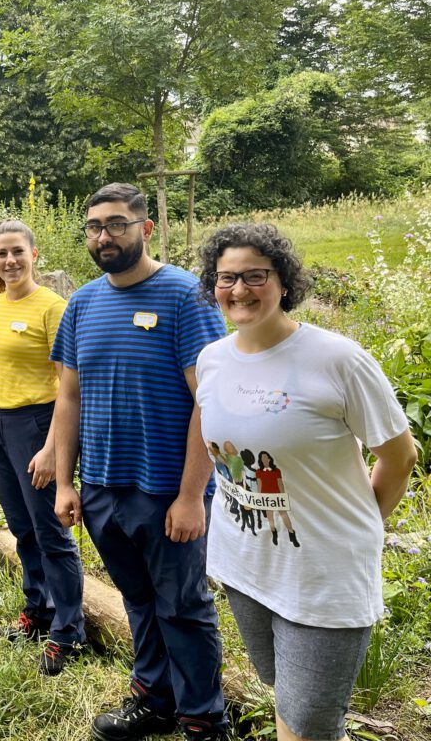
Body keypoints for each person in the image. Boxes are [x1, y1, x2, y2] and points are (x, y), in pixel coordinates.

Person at [195, 223, 416, 741]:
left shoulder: (337, 360)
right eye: (227, 278)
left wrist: (355, 531)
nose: (240, 290)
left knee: (310, 724)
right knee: (285, 698)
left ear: (284, 282)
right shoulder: (212, 360)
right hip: (244, 566)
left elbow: (401, 456)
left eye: (255, 275)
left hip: (322, 576)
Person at [51, 184, 229, 741]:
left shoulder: (184, 296)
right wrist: (64, 482)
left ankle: (204, 717)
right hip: (103, 485)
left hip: (165, 488)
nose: (104, 236)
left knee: (183, 605)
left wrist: (189, 495)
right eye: (94, 226)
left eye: (117, 224)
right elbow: (69, 397)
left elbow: (209, 401)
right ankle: (154, 698)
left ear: (146, 228)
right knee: (137, 597)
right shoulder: (81, 302)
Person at [0, 219, 86, 675]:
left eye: (17, 251)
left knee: (50, 532)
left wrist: (54, 448)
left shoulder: (52, 307)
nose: (9, 260)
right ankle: (39, 612)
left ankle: (68, 631)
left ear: (34, 255)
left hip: (38, 425)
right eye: (1, 253)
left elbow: (68, 385)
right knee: (21, 529)